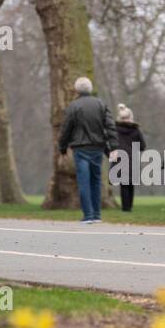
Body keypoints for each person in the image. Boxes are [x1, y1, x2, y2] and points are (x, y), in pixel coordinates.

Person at [57, 76, 117, 223]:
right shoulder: (100, 104)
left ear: (77, 90)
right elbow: (110, 127)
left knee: (84, 182)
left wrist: (63, 147)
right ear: (90, 89)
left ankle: (88, 215)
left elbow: (66, 129)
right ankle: (97, 215)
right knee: (96, 182)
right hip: (97, 148)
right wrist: (114, 147)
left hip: (80, 149)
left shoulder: (73, 106)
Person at [112, 105, 147, 212]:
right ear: (130, 117)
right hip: (133, 158)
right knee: (131, 183)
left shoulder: (115, 129)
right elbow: (142, 146)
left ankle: (125, 208)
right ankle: (130, 207)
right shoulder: (135, 130)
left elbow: (111, 143)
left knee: (124, 184)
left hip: (120, 157)